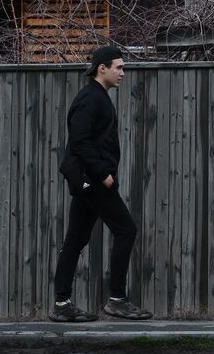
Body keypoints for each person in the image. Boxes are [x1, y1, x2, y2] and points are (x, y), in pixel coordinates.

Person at [51, 45, 152, 322]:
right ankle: (117, 300)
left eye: (123, 67)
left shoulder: (98, 97)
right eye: (119, 67)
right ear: (102, 68)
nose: (123, 72)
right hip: (93, 181)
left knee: (76, 239)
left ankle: (62, 305)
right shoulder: (90, 99)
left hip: (90, 180)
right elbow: (79, 142)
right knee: (126, 230)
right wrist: (103, 173)